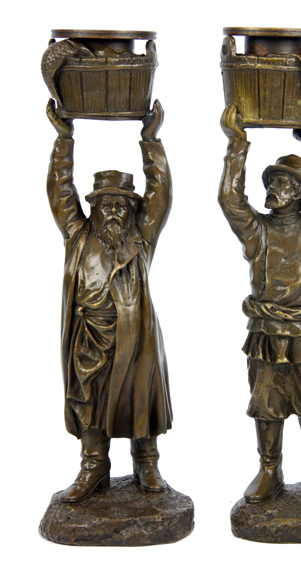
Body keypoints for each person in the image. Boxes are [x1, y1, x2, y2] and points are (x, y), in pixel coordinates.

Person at [219, 104, 301, 503]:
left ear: (300, 194)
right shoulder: (256, 231)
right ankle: (269, 469)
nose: (273, 188)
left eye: (282, 183)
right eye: (272, 181)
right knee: (266, 405)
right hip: (266, 333)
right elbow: (229, 199)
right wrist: (237, 144)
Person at [46, 98, 173, 502]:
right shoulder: (77, 235)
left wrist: (150, 140)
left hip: (135, 337)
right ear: (93, 208)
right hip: (88, 337)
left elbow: (160, 194)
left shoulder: (141, 238)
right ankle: (94, 465)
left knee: (139, 400)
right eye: (106, 205)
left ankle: (146, 463)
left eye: (122, 205)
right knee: (89, 399)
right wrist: (64, 138)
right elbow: (59, 190)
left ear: (133, 210)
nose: (115, 211)